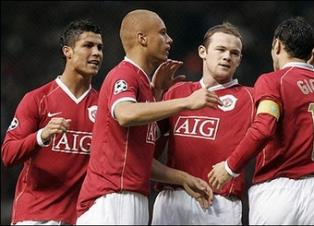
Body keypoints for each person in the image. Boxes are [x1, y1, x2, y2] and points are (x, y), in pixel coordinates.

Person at [76, 9, 221, 225]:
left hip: (132, 197)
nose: (169, 39)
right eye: (162, 33)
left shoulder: (144, 85)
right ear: (142, 38)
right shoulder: (124, 74)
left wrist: (183, 178)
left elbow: (140, 160)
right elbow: (124, 114)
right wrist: (186, 102)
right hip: (111, 197)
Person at [208, 17, 314, 225]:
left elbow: (263, 128)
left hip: (280, 193)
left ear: (277, 45)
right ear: (313, 51)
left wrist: (229, 167)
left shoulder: (274, 80)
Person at [150, 22, 254, 225]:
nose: (227, 56)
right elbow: (148, 146)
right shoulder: (177, 92)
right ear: (203, 52)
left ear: (240, 60)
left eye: (234, 53)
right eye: (221, 49)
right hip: (172, 199)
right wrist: (155, 95)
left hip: (219, 202)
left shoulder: (250, 97)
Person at [1, 19, 103, 225]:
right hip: (35, 215)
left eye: (100, 47)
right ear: (68, 51)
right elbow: (8, 154)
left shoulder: (104, 106)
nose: (97, 53)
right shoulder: (37, 99)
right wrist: (41, 136)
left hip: (81, 217)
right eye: (88, 45)